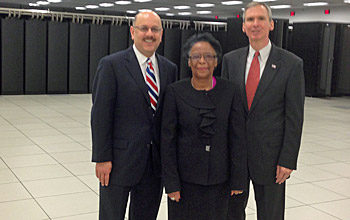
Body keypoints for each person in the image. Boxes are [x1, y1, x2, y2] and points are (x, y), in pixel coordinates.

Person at [91, 11, 177, 220]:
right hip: (119, 162)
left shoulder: (169, 69)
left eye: (155, 29)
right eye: (144, 28)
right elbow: (101, 114)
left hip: (154, 164)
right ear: (132, 32)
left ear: (161, 34)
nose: (149, 34)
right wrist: (102, 158)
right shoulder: (112, 65)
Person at [222, 2, 305, 220]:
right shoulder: (231, 60)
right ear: (243, 26)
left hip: (271, 158)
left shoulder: (291, 64)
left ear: (271, 24)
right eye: (250, 19)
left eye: (261, 19)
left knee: (270, 214)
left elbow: (294, 117)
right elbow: (225, 110)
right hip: (235, 156)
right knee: (231, 212)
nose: (255, 24)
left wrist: (288, 159)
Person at [161, 33, 247, 220]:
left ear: (216, 61)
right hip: (185, 183)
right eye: (196, 56)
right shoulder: (175, 92)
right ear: (189, 62)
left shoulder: (230, 91)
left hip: (221, 181)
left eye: (209, 56)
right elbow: (167, 141)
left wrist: (238, 179)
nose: (202, 61)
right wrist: (172, 184)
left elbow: (238, 138)